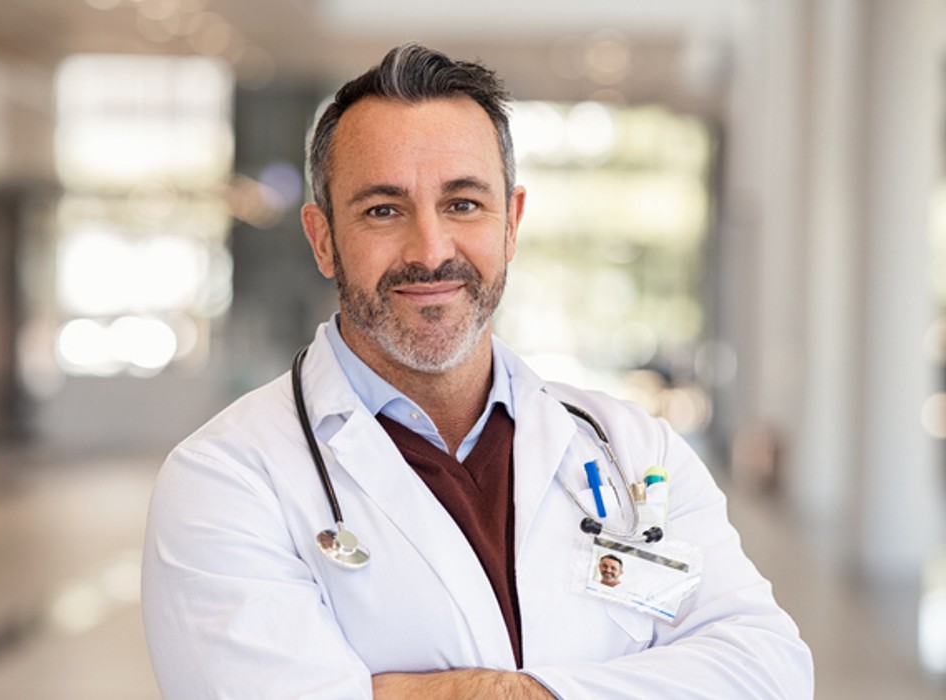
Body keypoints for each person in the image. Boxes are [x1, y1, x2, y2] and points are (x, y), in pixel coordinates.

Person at [141, 43, 814, 699]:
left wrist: (490, 692)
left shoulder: (634, 450)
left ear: (511, 223)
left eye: (463, 204)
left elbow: (769, 670)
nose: (430, 251)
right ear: (323, 239)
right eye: (383, 210)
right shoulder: (225, 480)